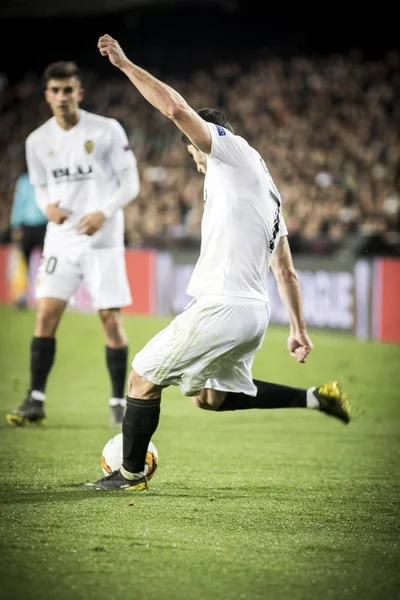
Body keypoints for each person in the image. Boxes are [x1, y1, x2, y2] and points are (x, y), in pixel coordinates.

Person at [82, 35, 351, 491]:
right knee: (214, 397)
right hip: (255, 313)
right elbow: (284, 269)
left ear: (204, 141)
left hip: (224, 305)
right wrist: (299, 330)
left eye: (193, 153)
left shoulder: (233, 153)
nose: (195, 162)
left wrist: (126, 65)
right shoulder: (269, 193)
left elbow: (175, 109)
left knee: (143, 376)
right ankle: (316, 398)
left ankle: (128, 474)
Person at [6, 60, 140, 429]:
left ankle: (118, 403)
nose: (62, 96)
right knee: (45, 316)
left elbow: (131, 184)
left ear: (79, 93)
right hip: (61, 241)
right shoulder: (37, 141)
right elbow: (42, 185)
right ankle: (35, 398)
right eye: (55, 90)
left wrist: (104, 212)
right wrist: (47, 205)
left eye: (69, 90)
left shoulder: (107, 130)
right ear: (47, 95)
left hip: (103, 241)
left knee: (110, 319)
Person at [9, 164, 48, 308]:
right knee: (23, 263)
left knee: (47, 263)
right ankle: (22, 296)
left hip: (45, 225)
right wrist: (16, 225)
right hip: (26, 226)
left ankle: (45, 296)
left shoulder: (46, 180)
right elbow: (18, 204)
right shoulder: (24, 181)